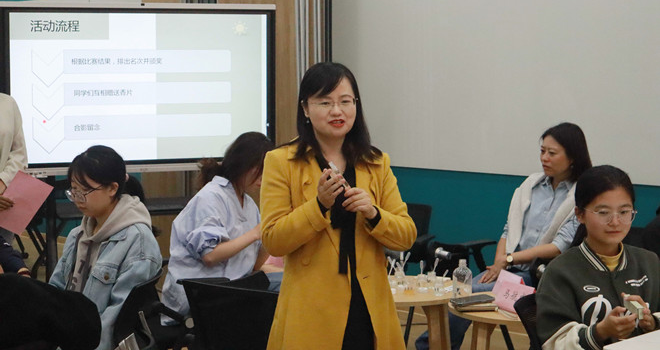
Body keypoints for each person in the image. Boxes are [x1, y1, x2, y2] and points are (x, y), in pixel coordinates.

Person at [260, 62, 417, 350]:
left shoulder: (376, 162)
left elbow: (406, 236)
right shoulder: (282, 161)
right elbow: (273, 241)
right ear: (305, 109)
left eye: (346, 101)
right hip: (311, 310)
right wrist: (318, 206)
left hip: (369, 306)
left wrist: (373, 213)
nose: (337, 111)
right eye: (325, 102)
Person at [417, 122, 592, 350]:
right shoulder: (531, 185)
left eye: (552, 153)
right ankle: (435, 345)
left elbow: (559, 246)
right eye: (542, 151)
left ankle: (427, 346)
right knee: (459, 291)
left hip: (539, 275)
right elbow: (509, 230)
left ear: (572, 157)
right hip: (508, 269)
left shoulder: (580, 194)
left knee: (465, 295)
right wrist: (500, 262)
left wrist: (508, 260)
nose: (544, 158)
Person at [49, 145, 162, 350]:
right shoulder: (77, 235)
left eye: (85, 191)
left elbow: (117, 319)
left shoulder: (137, 242)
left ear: (112, 188)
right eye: (74, 190)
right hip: (71, 336)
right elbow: (55, 292)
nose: (77, 198)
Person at [537, 165, 660, 349]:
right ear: (580, 214)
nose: (615, 222)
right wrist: (601, 331)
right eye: (603, 213)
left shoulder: (649, 262)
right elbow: (554, 342)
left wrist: (652, 322)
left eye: (624, 212)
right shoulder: (560, 271)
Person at [162, 132, 280, 319]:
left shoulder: (248, 203)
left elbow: (255, 266)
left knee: (288, 285)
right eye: (260, 169)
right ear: (242, 164)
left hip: (230, 290)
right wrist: (255, 233)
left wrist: (271, 232)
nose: (263, 178)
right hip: (202, 297)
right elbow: (210, 256)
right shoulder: (211, 197)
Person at [0, 93, 28, 244]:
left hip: (5, 199)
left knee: (4, 254)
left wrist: (3, 181)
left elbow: (19, 154)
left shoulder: (8, 103)